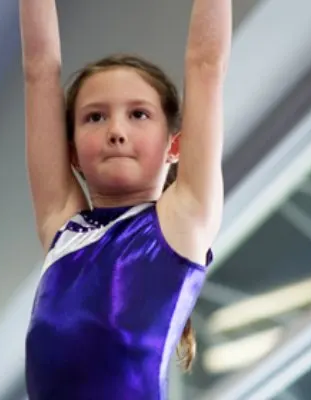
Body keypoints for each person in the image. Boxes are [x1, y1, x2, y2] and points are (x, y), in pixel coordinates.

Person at [20, 0, 231, 398]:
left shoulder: (183, 221)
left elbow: (206, 65)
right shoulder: (64, 228)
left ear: (175, 145)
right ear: (71, 152)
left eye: (139, 115)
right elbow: (39, 68)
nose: (116, 130)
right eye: (95, 117)